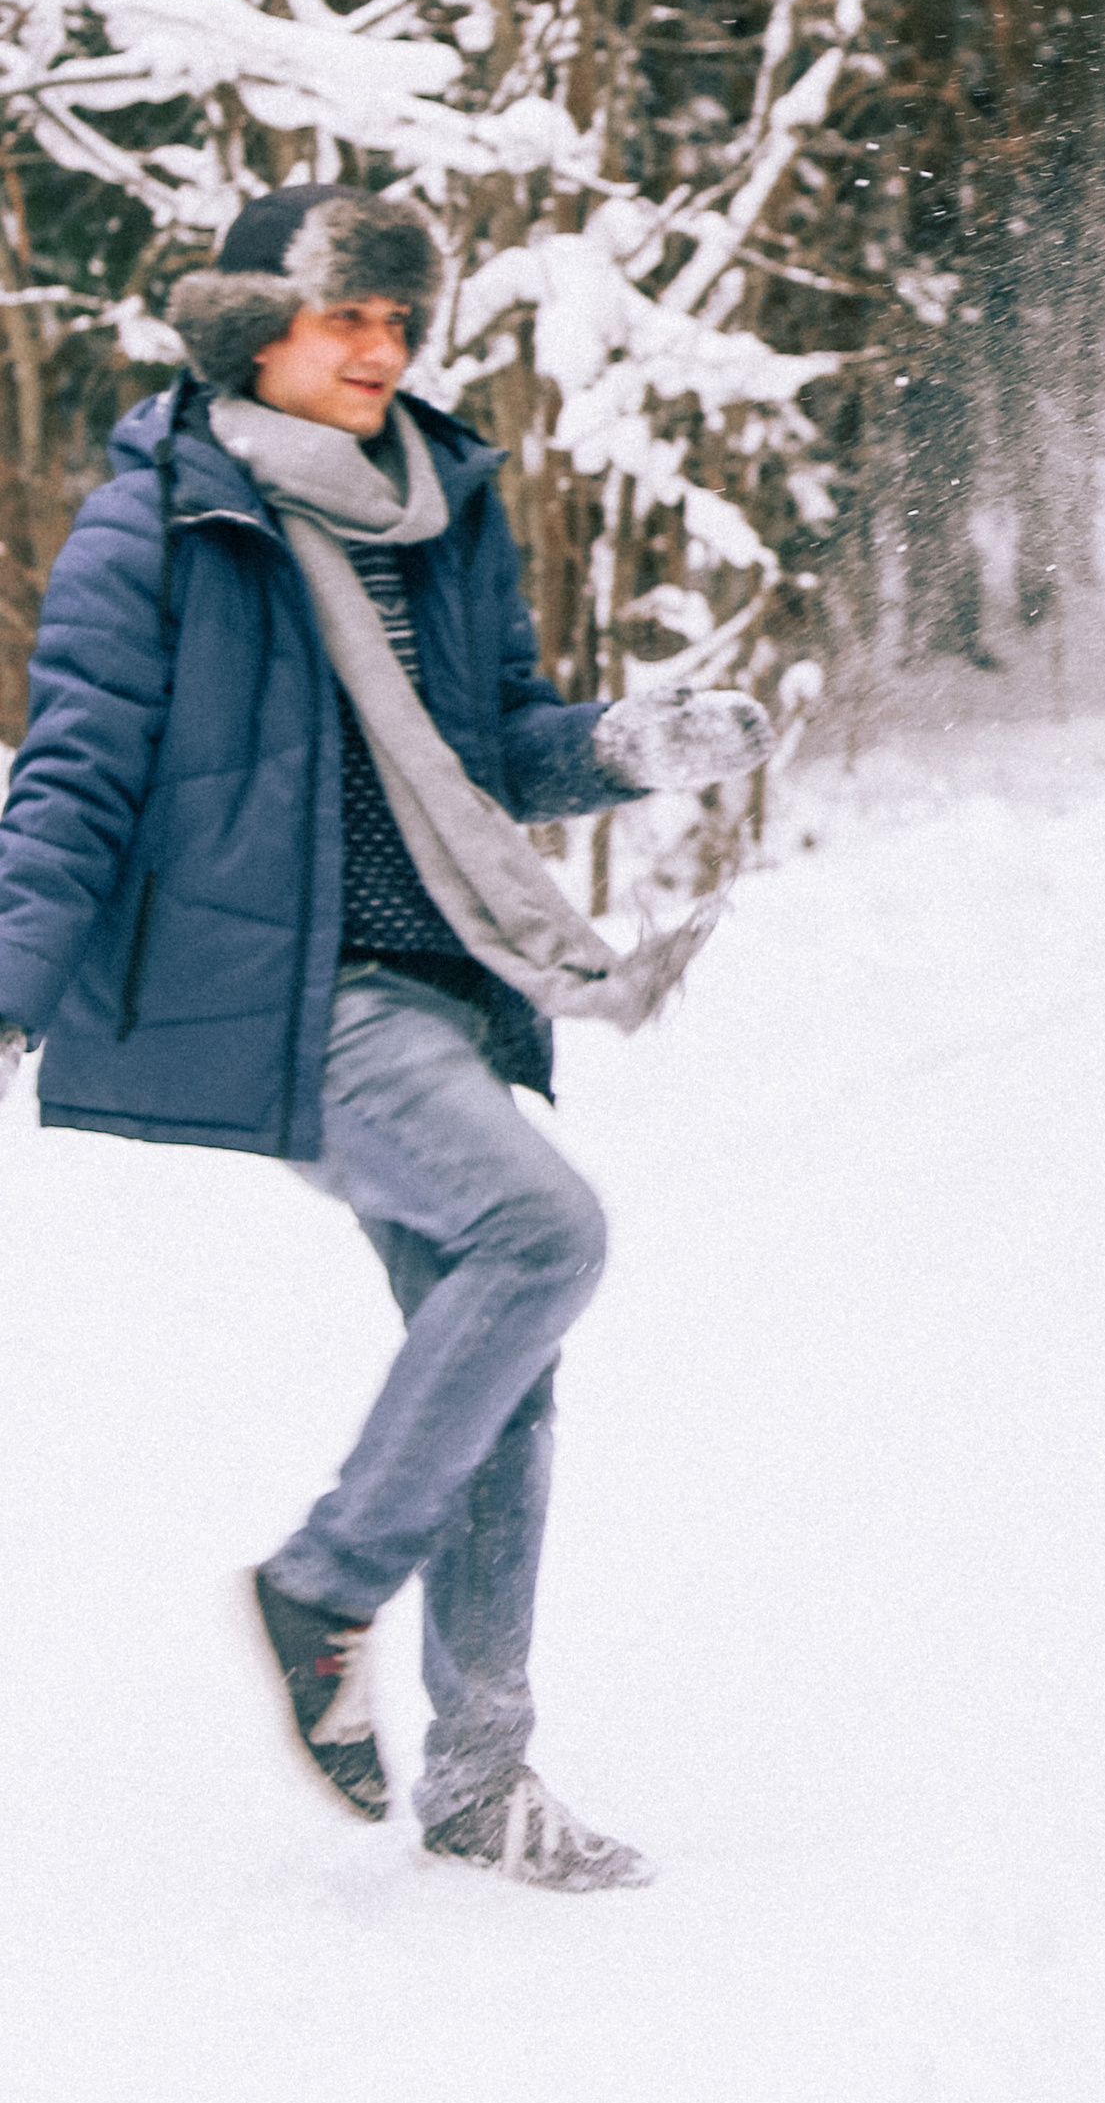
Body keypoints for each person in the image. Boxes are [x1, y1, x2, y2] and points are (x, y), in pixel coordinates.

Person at [0, 185, 772, 1891]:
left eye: (400, 320)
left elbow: (493, 745)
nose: (380, 349)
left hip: (444, 986)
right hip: (290, 997)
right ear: (248, 328)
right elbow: (73, 774)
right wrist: (10, 975)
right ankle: (324, 1585)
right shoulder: (163, 521)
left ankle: (483, 1778)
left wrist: (628, 744)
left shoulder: (442, 504)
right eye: (345, 315)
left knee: (501, 1364)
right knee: (542, 1233)